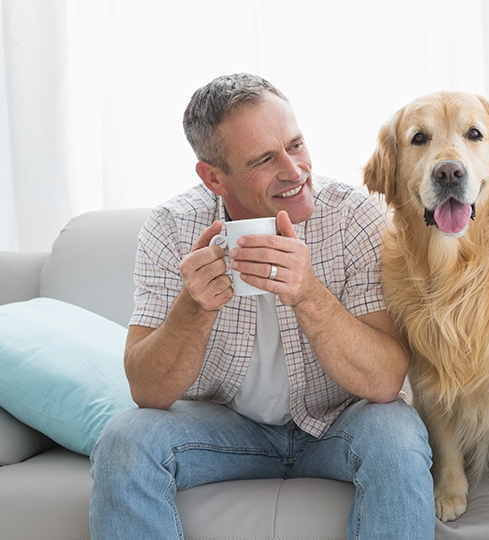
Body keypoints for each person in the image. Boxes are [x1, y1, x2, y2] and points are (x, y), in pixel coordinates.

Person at [89, 73, 434, 540]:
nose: (295, 171)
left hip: (337, 423)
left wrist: (308, 294)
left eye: (296, 144)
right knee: (125, 440)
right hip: (225, 431)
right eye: (265, 159)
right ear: (214, 176)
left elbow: (385, 379)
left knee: (396, 433)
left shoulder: (351, 214)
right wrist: (194, 310)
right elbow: (147, 391)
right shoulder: (172, 228)